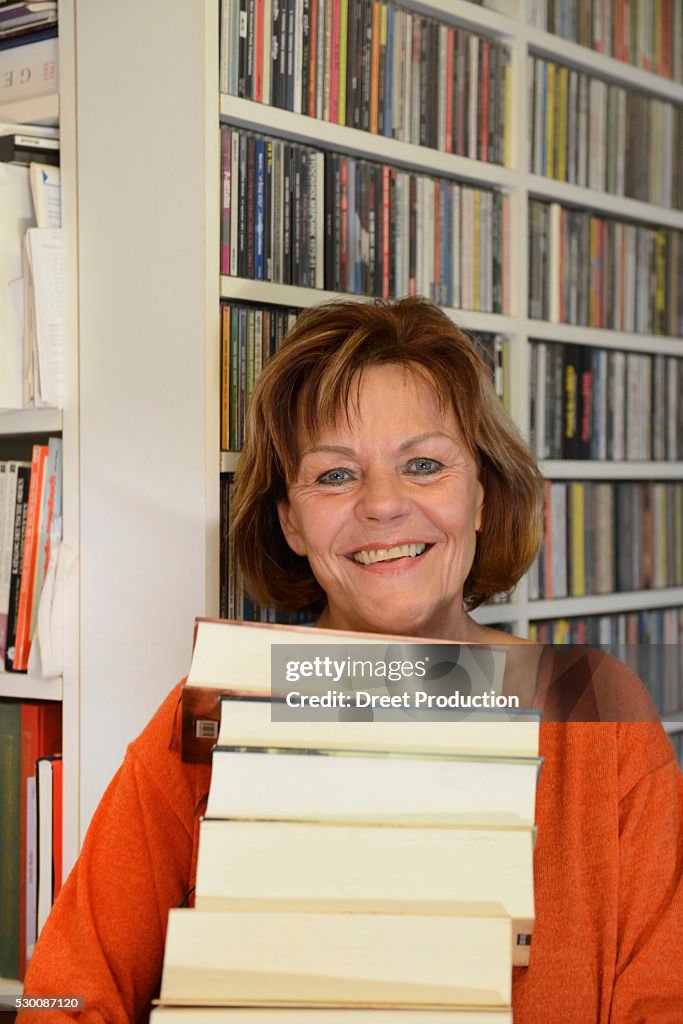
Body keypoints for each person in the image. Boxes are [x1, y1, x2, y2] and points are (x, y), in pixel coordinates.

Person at [19, 297, 683, 1022]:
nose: (382, 505)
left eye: (423, 465)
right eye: (335, 476)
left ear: (481, 497)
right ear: (291, 522)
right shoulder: (213, 712)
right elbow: (64, 995)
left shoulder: (598, 710)